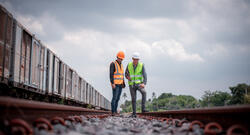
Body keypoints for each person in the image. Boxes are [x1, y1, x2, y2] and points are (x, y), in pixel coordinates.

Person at [125, 52, 148, 118]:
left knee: (144, 92)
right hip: (131, 84)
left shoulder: (141, 65)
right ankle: (134, 113)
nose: (136, 60)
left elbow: (145, 75)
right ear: (132, 59)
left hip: (139, 84)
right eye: (135, 59)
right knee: (133, 99)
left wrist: (144, 83)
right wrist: (127, 77)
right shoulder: (129, 65)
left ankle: (143, 109)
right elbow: (126, 73)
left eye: (137, 59)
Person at [110, 51, 126, 116]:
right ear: (117, 57)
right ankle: (113, 112)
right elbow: (111, 74)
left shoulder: (121, 65)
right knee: (114, 98)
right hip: (115, 84)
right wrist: (112, 83)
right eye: (119, 58)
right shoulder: (113, 64)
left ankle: (115, 111)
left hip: (120, 85)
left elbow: (121, 75)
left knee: (117, 98)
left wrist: (123, 83)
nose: (120, 59)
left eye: (122, 59)